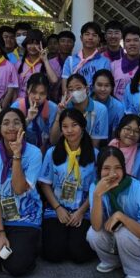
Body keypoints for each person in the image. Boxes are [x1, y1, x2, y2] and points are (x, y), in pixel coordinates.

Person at [0, 108, 44, 276]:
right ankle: (6, 253)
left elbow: (19, 189)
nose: (11, 127)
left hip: (25, 215)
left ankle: (26, 249)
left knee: (17, 267)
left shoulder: (34, 153)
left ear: (23, 127)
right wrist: (0, 233)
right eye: (6, 123)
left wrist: (17, 156)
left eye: (16, 122)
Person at [86, 147, 140, 278]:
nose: (112, 173)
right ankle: (113, 261)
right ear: (99, 169)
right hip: (119, 235)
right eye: (106, 168)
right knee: (92, 234)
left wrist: (121, 216)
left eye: (118, 168)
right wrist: (97, 195)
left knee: (122, 232)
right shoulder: (95, 187)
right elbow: (96, 227)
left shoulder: (136, 187)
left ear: (124, 168)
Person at [38, 109, 98, 263]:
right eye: (65, 126)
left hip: (83, 209)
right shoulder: (52, 152)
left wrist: (81, 211)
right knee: (54, 254)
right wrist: (58, 208)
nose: (69, 130)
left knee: (79, 255)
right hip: (57, 207)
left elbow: (97, 188)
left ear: (82, 127)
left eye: (74, 125)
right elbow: (45, 184)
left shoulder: (95, 154)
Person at [53, 74, 110, 146]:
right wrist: (59, 114)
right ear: (67, 93)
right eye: (71, 90)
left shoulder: (101, 109)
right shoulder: (64, 108)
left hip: (90, 149)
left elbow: (95, 144)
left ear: (87, 89)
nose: (75, 92)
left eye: (78, 88)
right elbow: (53, 141)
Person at [12, 73, 58, 152]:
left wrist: (59, 116)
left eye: (42, 94)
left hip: (45, 150)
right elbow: (11, 136)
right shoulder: (16, 107)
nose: (37, 97)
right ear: (27, 90)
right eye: (34, 92)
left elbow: (54, 141)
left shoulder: (53, 108)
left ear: (47, 94)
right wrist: (28, 120)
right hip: (20, 150)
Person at [110, 25, 140, 97]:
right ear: (124, 44)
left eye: (136, 40)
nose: (132, 44)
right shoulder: (113, 65)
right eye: (128, 41)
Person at [91, 69, 126, 138]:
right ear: (93, 86)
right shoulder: (85, 102)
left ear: (112, 87)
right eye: (99, 85)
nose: (103, 89)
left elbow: (115, 133)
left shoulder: (118, 107)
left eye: (107, 85)